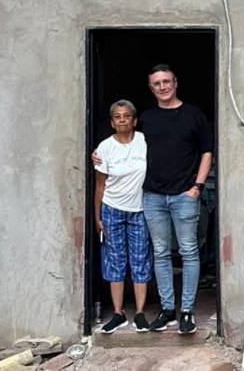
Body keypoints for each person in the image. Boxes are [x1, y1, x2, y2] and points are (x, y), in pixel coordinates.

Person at [139, 64, 213, 335]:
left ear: (175, 82)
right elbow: (126, 145)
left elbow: (207, 152)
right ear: (151, 88)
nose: (162, 87)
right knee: (160, 253)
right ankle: (167, 309)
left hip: (185, 194)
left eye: (166, 81)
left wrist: (197, 186)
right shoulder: (145, 118)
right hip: (153, 195)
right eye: (156, 83)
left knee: (188, 252)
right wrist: (100, 155)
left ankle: (186, 311)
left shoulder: (193, 115)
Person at [94, 100, 151, 334]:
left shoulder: (144, 141)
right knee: (115, 260)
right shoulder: (104, 148)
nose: (122, 119)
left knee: (140, 259)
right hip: (112, 208)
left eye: (126, 116)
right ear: (112, 122)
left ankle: (139, 313)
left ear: (134, 120)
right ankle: (118, 313)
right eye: (117, 116)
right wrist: (97, 216)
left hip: (139, 209)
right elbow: (99, 185)